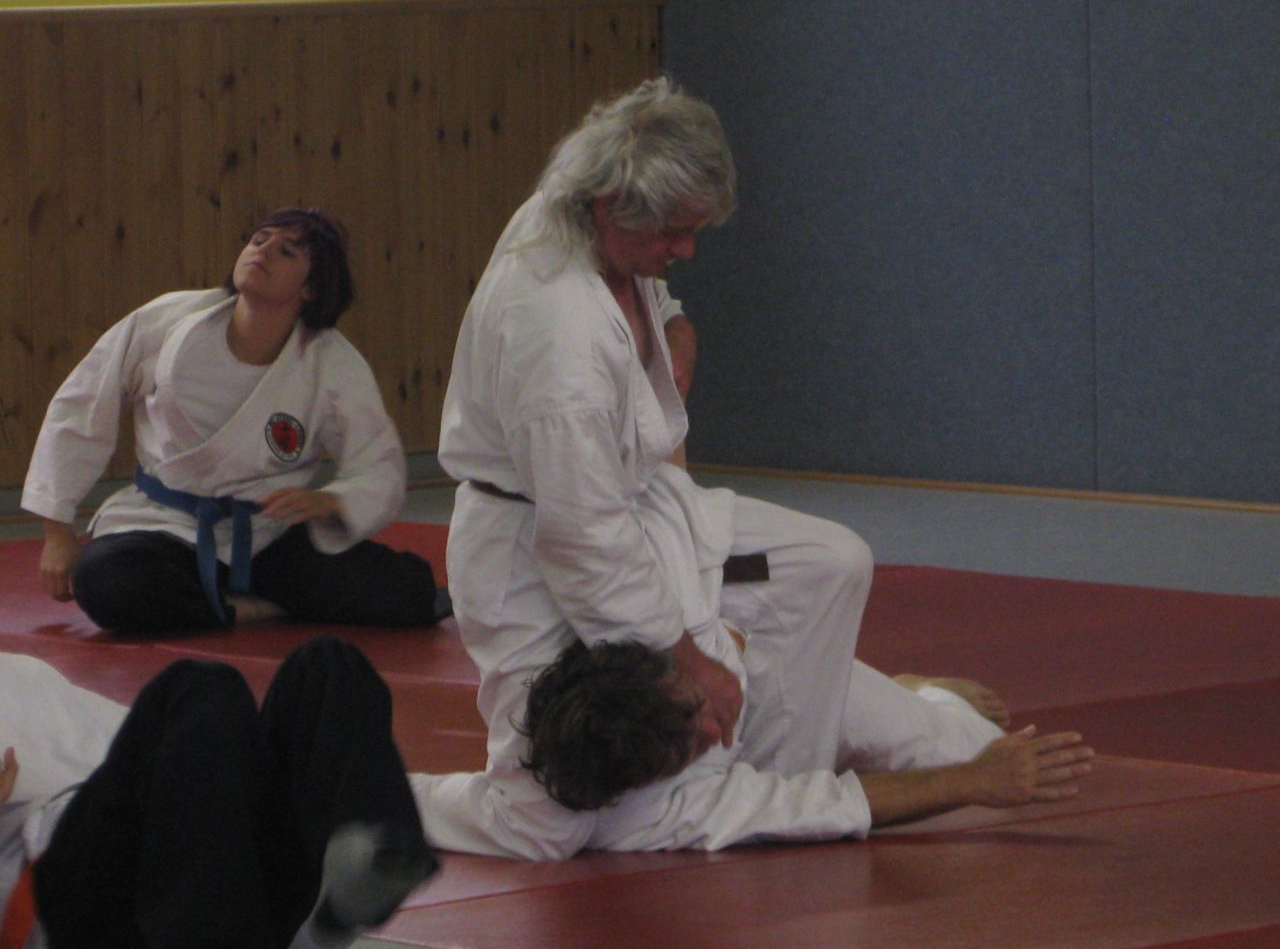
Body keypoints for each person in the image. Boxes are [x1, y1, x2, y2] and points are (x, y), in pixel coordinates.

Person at [423, 76, 888, 860]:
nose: (687, 249)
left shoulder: (581, 210)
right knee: (544, 821)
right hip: (529, 551)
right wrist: (688, 663)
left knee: (830, 562)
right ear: (611, 204)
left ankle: (775, 785)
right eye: (675, 230)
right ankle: (373, 794)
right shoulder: (557, 337)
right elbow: (584, 541)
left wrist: (674, 332)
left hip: (642, 506)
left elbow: (656, 295)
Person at [420, 462, 1092, 852]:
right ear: (652, 776)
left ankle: (901, 690)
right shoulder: (648, 815)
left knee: (842, 575)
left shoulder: (636, 627)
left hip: (773, 666)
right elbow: (827, 805)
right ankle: (902, 696)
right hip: (769, 727)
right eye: (695, 740)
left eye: (694, 707)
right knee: (978, 756)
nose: (718, 726)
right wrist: (973, 783)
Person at [21, 208, 448, 637]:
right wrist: (57, 531)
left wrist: (333, 500)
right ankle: (253, 608)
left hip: (266, 530)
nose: (263, 250)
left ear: (312, 288)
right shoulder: (166, 321)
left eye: (286, 251)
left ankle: (218, 601)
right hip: (162, 521)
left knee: (406, 594)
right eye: (259, 239)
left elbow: (377, 462)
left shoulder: (332, 364)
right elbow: (79, 408)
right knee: (105, 581)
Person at [0, 638, 437, 949]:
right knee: (200, 687)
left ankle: (367, 869)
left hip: (196, 866)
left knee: (324, 667)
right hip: (66, 894)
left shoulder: (23, 676)